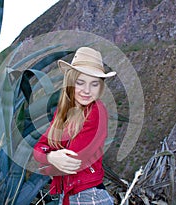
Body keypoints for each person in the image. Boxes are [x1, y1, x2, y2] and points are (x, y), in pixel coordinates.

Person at [33, 47, 116, 205]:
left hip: (89, 196)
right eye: (80, 82)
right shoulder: (63, 112)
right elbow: (40, 146)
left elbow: (72, 162)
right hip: (68, 194)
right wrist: (51, 157)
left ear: (100, 87)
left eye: (94, 84)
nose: (86, 90)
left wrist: (45, 164)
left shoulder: (96, 111)